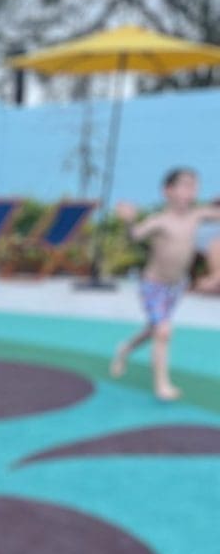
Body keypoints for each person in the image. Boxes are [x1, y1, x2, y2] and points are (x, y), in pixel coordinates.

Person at [111, 168, 220, 401]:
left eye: (194, 186)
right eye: (184, 185)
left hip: (177, 286)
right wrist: (130, 221)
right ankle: (162, 385)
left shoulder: (198, 216)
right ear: (167, 191)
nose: (190, 190)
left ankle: (125, 349)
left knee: (154, 330)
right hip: (154, 285)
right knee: (163, 331)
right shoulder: (159, 221)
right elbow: (136, 236)